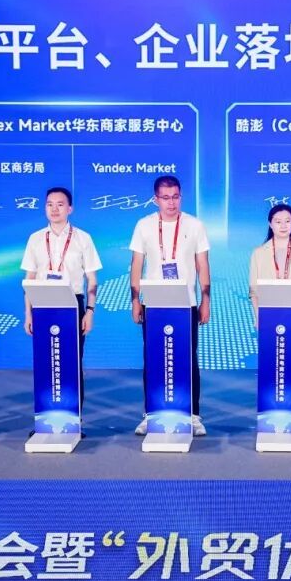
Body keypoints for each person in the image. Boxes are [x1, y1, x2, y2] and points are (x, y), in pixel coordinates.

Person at [129, 175, 211, 436]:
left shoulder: (195, 225)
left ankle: (193, 415)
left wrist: (206, 300)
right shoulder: (144, 225)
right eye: (165, 198)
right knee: (152, 359)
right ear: (156, 200)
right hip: (154, 303)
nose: (171, 203)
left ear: (181, 197)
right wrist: (135, 300)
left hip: (186, 303)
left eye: (175, 197)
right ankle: (150, 414)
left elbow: (203, 265)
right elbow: (136, 265)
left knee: (189, 358)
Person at [20, 187, 102, 427]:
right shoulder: (35, 238)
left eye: (60, 204)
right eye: (49, 204)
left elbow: (92, 280)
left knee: (71, 362)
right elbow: (29, 279)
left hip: (72, 304)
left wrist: (90, 311)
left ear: (70, 208)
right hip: (42, 303)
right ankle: (45, 420)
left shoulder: (83, 238)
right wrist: (28, 313)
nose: (54, 209)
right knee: (45, 362)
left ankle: (73, 420)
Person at [249, 204, 291, 331]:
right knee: (271, 344)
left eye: (287, 221)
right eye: (278, 222)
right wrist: (258, 316)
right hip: (268, 312)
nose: (283, 226)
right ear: (270, 224)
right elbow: (254, 290)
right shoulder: (258, 253)